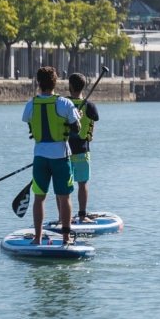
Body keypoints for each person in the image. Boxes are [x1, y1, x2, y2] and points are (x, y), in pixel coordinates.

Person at [22, 66, 81, 245]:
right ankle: (66, 238)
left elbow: (28, 120)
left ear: (38, 83)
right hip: (61, 157)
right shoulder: (65, 103)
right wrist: (76, 119)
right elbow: (76, 130)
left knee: (39, 198)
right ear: (55, 82)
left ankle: (38, 238)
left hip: (40, 157)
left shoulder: (30, 104)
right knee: (65, 198)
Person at [67, 73, 100, 225]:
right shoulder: (90, 106)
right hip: (82, 150)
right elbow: (94, 121)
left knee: (64, 185)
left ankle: (63, 217)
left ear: (70, 86)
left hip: (64, 150)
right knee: (82, 183)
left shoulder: (63, 103)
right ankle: (81, 215)